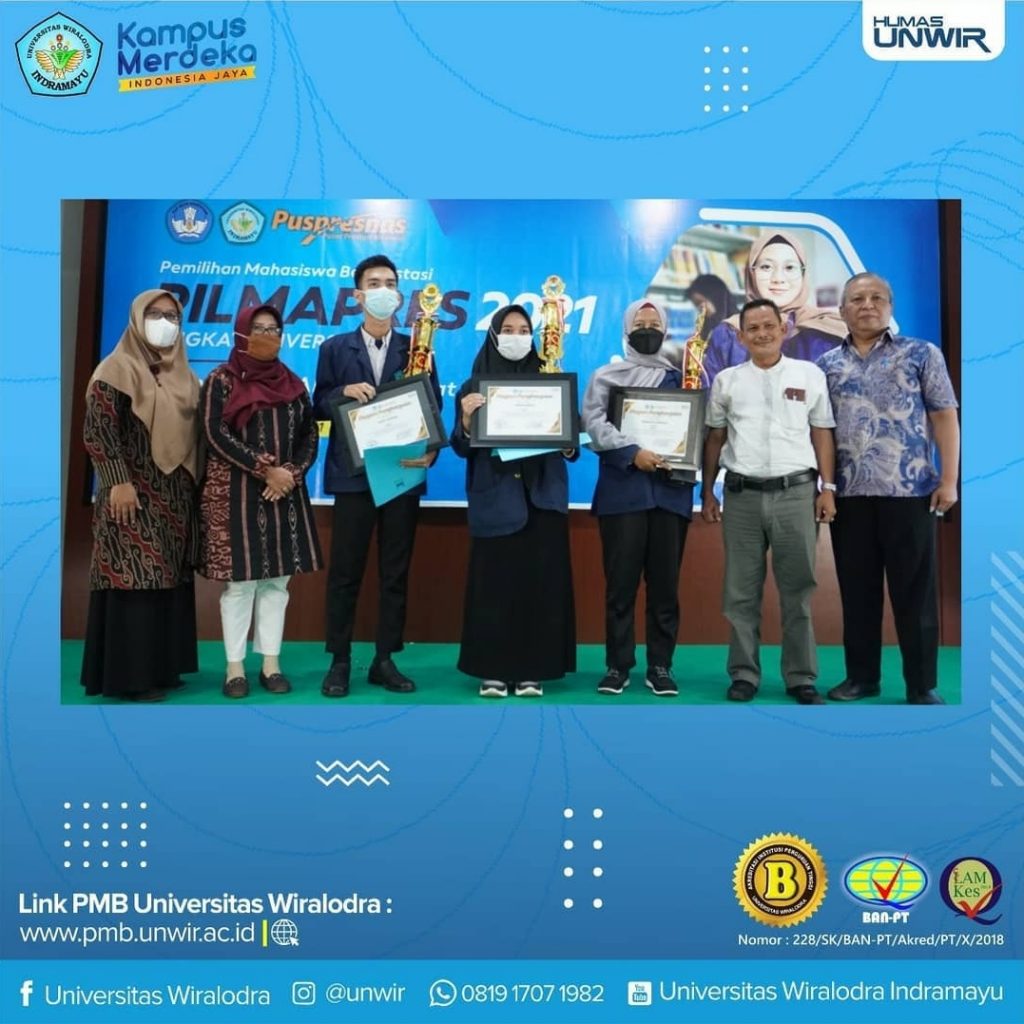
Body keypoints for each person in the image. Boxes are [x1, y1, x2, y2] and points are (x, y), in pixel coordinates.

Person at [818, 273, 959, 705]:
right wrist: (826, 486)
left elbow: (944, 417)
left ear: (890, 306)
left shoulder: (921, 354)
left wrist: (949, 479)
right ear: (842, 310)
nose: (867, 304)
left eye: (877, 297)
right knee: (858, 594)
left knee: (915, 595)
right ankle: (862, 678)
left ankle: (921, 685)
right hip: (850, 497)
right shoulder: (825, 365)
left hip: (910, 492)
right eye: (857, 298)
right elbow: (821, 432)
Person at [313, 255, 443, 698]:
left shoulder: (419, 348)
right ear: (358, 295)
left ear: (400, 296)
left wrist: (431, 451)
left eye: (390, 283)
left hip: (401, 474)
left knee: (395, 572)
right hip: (353, 476)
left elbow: (433, 406)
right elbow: (317, 404)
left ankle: (385, 659)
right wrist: (341, 392)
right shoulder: (334, 349)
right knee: (345, 572)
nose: (383, 290)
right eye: (374, 283)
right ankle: (339, 660)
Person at [702, 299, 837, 705]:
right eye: (753, 328)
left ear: (784, 329)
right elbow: (715, 437)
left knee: (799, 590)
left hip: (796, 494)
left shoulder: (809, 375)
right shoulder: (726, 381)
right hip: (741, 497)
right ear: (741, 337)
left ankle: (801, 677)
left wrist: (828, 487)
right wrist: (706, 491)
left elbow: (822, 432)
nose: (761, 333)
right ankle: (744, 674)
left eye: (768, 326)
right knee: (740, 592)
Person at [80, 289, 200, 702]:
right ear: (136, 319)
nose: (165, 323)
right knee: (133, 578)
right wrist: (117, 480)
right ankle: (130, 679)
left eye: (173, 316)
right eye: (155, 314)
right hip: (130, 495)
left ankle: (162, 670)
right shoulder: (116, 368)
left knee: (166, 581)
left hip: (175, 498)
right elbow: (98, 430)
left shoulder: (186, 377)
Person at [198, 304, 323, 699]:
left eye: (274, 329)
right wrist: (263, 468)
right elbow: (214, 433)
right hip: (236, 494)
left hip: (284, 494)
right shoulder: (220, 380)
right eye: (259, 328)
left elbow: (310, 434)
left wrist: (291, 473)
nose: (268, 335)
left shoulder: (294, 384)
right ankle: (234, 668)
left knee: (277, 584)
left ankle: (271, 663)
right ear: (241, 333)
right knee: (240, 585)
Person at [453, 305, 576, 697]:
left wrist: (567, 437)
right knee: (495, 587)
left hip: (542, 500)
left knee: (539, 587)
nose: (517, 336)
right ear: (494, 335)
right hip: (496, 501)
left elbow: (572, 444)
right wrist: (467, 422)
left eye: (524, 330)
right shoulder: (472, 388)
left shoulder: (552, 381)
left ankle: (532, 670)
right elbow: (460, 446)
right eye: (508, 329)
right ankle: (492, 670)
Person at [581, 298, 693, 697]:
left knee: (665, 588)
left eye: (654, 323)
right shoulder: (606, 377)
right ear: (627, 330)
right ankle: (618, 666)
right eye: (640, 323)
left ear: (666, 330)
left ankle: (660, 666)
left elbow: (695, 427)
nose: (648, 329)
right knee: (620, 586)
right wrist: (632, 453)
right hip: (623, 494)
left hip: (671, 495)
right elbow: (592, 423)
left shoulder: (681, 379)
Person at [702, 230, 847, 385]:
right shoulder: (727, 333)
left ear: (803, 273)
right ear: (751, 273)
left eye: (789, 267)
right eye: (766, 267)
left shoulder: (831, 330)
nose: (778, 278)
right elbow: (712, 395)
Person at [684, 273, 739, 340]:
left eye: (700, 302)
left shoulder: (740, 329)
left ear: (716, 299)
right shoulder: (708, 324)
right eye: (696, 306)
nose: (699, 309)